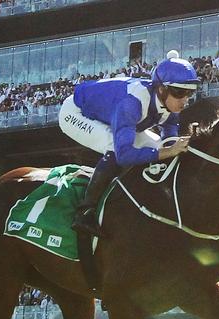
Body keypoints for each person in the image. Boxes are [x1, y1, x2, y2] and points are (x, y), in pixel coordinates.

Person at [59, 50, 199, 236]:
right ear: (161, 89)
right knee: (114, 148)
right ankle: (85, 211)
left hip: (110, 113)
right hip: (76, 113)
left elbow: (168, 139)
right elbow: (124, 155)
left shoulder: (170, 104)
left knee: (156, 147)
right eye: (179, 92)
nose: (185, 100)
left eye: (189, 93)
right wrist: (167, 152)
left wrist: (174, 147)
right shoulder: (132, 103)